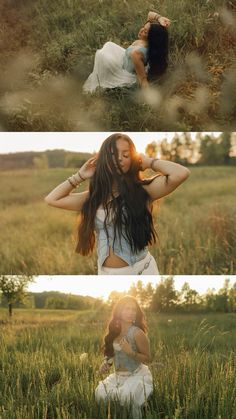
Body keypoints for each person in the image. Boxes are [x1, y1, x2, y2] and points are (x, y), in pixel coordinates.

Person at [44, 133, 190, 275]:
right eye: (113, 154)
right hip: (106, 274)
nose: (119, 159)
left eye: (126, 155)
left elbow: (181, 173)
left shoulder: (144, 190)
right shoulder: (93, 198)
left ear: (132, 160)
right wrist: (80, 176)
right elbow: (52, 199)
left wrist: (147, 162)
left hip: (142, 271)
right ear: (103, 158)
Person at [95, 295, 153, 419]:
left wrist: (131, 352)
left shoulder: (138, 333)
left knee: (127, 397)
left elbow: (148, 358)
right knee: (100, 394)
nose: (131, 312)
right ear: (119, 311)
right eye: (127, 309)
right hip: (117, 377)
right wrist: (105, 363)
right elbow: (111, 355)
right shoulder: (114, 332)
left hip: (136, 375)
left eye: (134, 310)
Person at [83, 11, 170, 92]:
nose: (141, 30)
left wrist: (149, 96)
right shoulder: (147, 43)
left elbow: (142, 79)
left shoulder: (137, 54)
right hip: (125, 59)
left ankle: (103, 77)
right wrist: (159, 18)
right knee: (109, 45)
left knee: (102, 56)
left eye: (145, 32)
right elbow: (150, 14)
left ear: (151, 38)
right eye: (143, 27)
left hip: (126, 71)